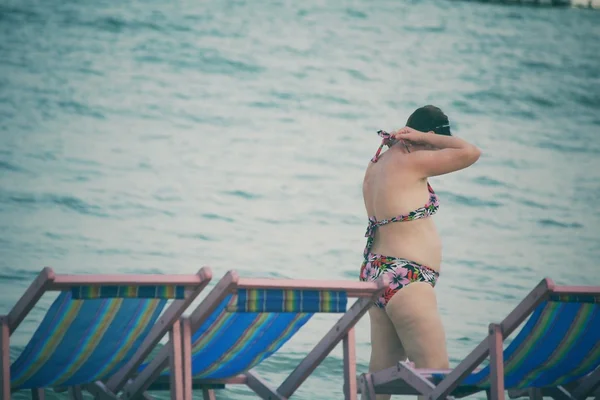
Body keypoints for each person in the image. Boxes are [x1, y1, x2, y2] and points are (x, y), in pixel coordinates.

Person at [359, 105, 481, 399]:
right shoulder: (412, 162)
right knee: (437, 378)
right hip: (407, 278)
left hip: (376, 273)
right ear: (421, 137)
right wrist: (432, 140)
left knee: (378, 383)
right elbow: (470, 152)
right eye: (433, 142)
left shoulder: (378, 162)